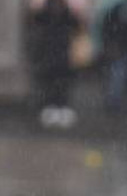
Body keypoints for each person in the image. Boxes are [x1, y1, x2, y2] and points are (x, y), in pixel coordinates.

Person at [27, 0, 80, 129]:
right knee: (53, 82)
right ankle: (53, 107)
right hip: (53, 52)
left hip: (58, 52)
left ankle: (57, 107)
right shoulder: (47, 9)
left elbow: (75, 25)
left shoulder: (60, 10)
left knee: (59, 82)